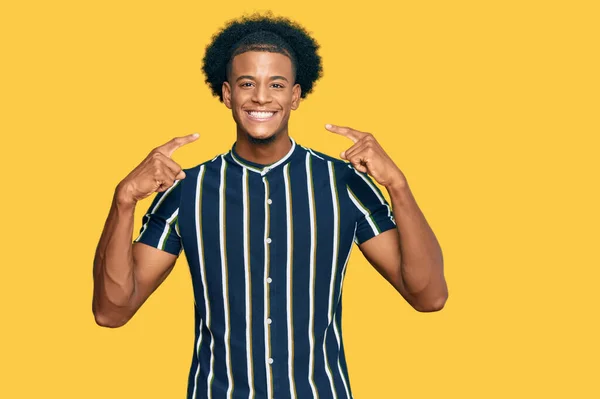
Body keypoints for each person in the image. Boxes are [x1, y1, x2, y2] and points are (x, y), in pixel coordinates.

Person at [92, 12, 448, 399]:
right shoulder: (184, 190)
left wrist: (398, 185)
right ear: (227, 94)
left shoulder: (344, 184)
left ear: (295, 96)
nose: (261, 97)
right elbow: (112, 312)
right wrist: (123, 199)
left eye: (276, 84)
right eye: (248, 83)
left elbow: (429, 297)